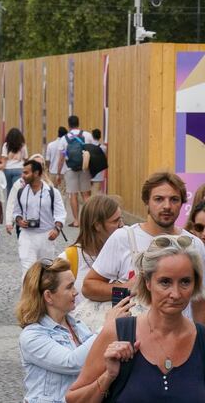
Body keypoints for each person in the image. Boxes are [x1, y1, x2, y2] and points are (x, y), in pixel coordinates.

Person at [67, 235, 205, 402]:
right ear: (147, 282)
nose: (175, 294)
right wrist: (108, 376)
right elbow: (74, 399)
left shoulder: (201, 341)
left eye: (185, 282)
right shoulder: (118, 332)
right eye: (165, 282)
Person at [82, 171, 205, 322]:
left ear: (182, 203)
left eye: (174, 199)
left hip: (180, 338)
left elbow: (199, 300)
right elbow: (88, 286)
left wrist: (200, 339)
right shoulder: (123, 237)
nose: (167, 206)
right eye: (158, 199)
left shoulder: (194, 244)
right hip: (133, 337)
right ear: (147, 201)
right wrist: (127, 287)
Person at [16, 258, 130, 403]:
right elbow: (72, 362)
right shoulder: (32, 336)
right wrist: (107, 328)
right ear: (48, 296)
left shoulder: (77, 325)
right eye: (69, 287)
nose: (76, 292)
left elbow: (98, 356)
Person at [58, 195, 123, 329]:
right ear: (97, 226)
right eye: (116, 221)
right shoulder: (69, 259)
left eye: (121, 219)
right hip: (80, 337)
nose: (122, 226)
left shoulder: (124, 256)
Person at [11, 159, 66, 278]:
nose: (23, 175)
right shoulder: (21, 192)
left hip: (46, 236)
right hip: (27, 236)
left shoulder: (52, 192)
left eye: (26, 173)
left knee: (45, 271)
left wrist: (56, 230)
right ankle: (27, 296)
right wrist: (20, 220)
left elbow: (60, 214)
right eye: (23, 172)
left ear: (36, 173)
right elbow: (16, 212)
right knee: (27, 270)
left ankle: (42, 296)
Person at [58, 115, 94, 228]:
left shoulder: (64, 139)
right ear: (78, 123)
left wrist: (59, 173)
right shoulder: (87, 135)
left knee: (73, 195)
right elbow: (91, 152)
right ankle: (89, 220)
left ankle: (76, 221)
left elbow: (62, 157)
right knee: (86, 195)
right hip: (84, 168)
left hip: (70, 170)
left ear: (68, 125)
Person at [2, 127, 28, 198]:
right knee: (18, 189)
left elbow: (4, 158)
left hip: (7, 169)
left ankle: (9, 207)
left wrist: (2, 168)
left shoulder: (5, 145)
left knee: (9, 190)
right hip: (19, 168)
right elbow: (26, 158)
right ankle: (18, 206)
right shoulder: (23, 145)